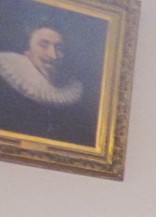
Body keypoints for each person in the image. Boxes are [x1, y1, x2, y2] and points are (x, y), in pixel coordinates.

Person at [0, 15, 94, 145]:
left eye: (59, 48)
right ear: (27, 49)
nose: (53, 55)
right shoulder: (5, 81)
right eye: (43, 45)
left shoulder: (73, 93)